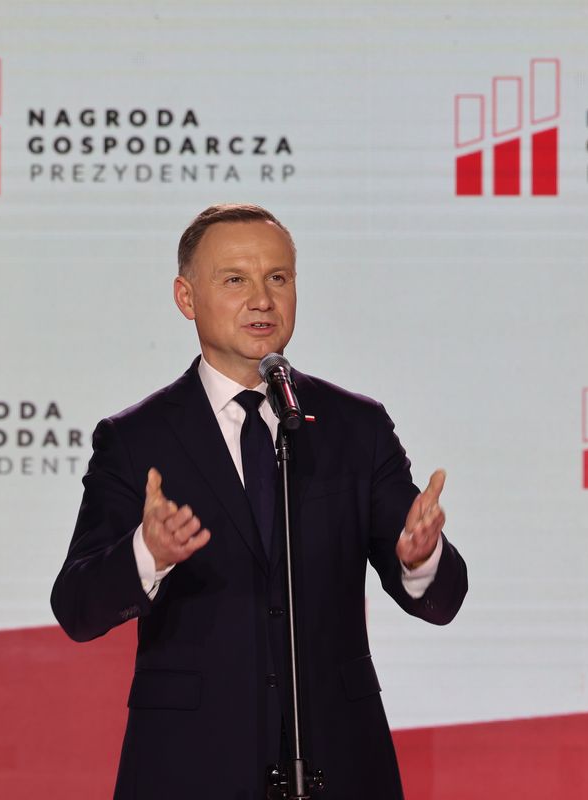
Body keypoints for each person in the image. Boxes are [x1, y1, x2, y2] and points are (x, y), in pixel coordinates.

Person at [51, 204, 468, 799]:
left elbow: (442, 600)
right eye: (234, 279)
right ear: (186, 298)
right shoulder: (136, 439)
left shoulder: (355, 427)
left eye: (278, 277)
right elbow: (77, 606)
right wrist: (148, 552)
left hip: (339, 759)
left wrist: (421, 558)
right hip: (190, 765)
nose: (262, 300)